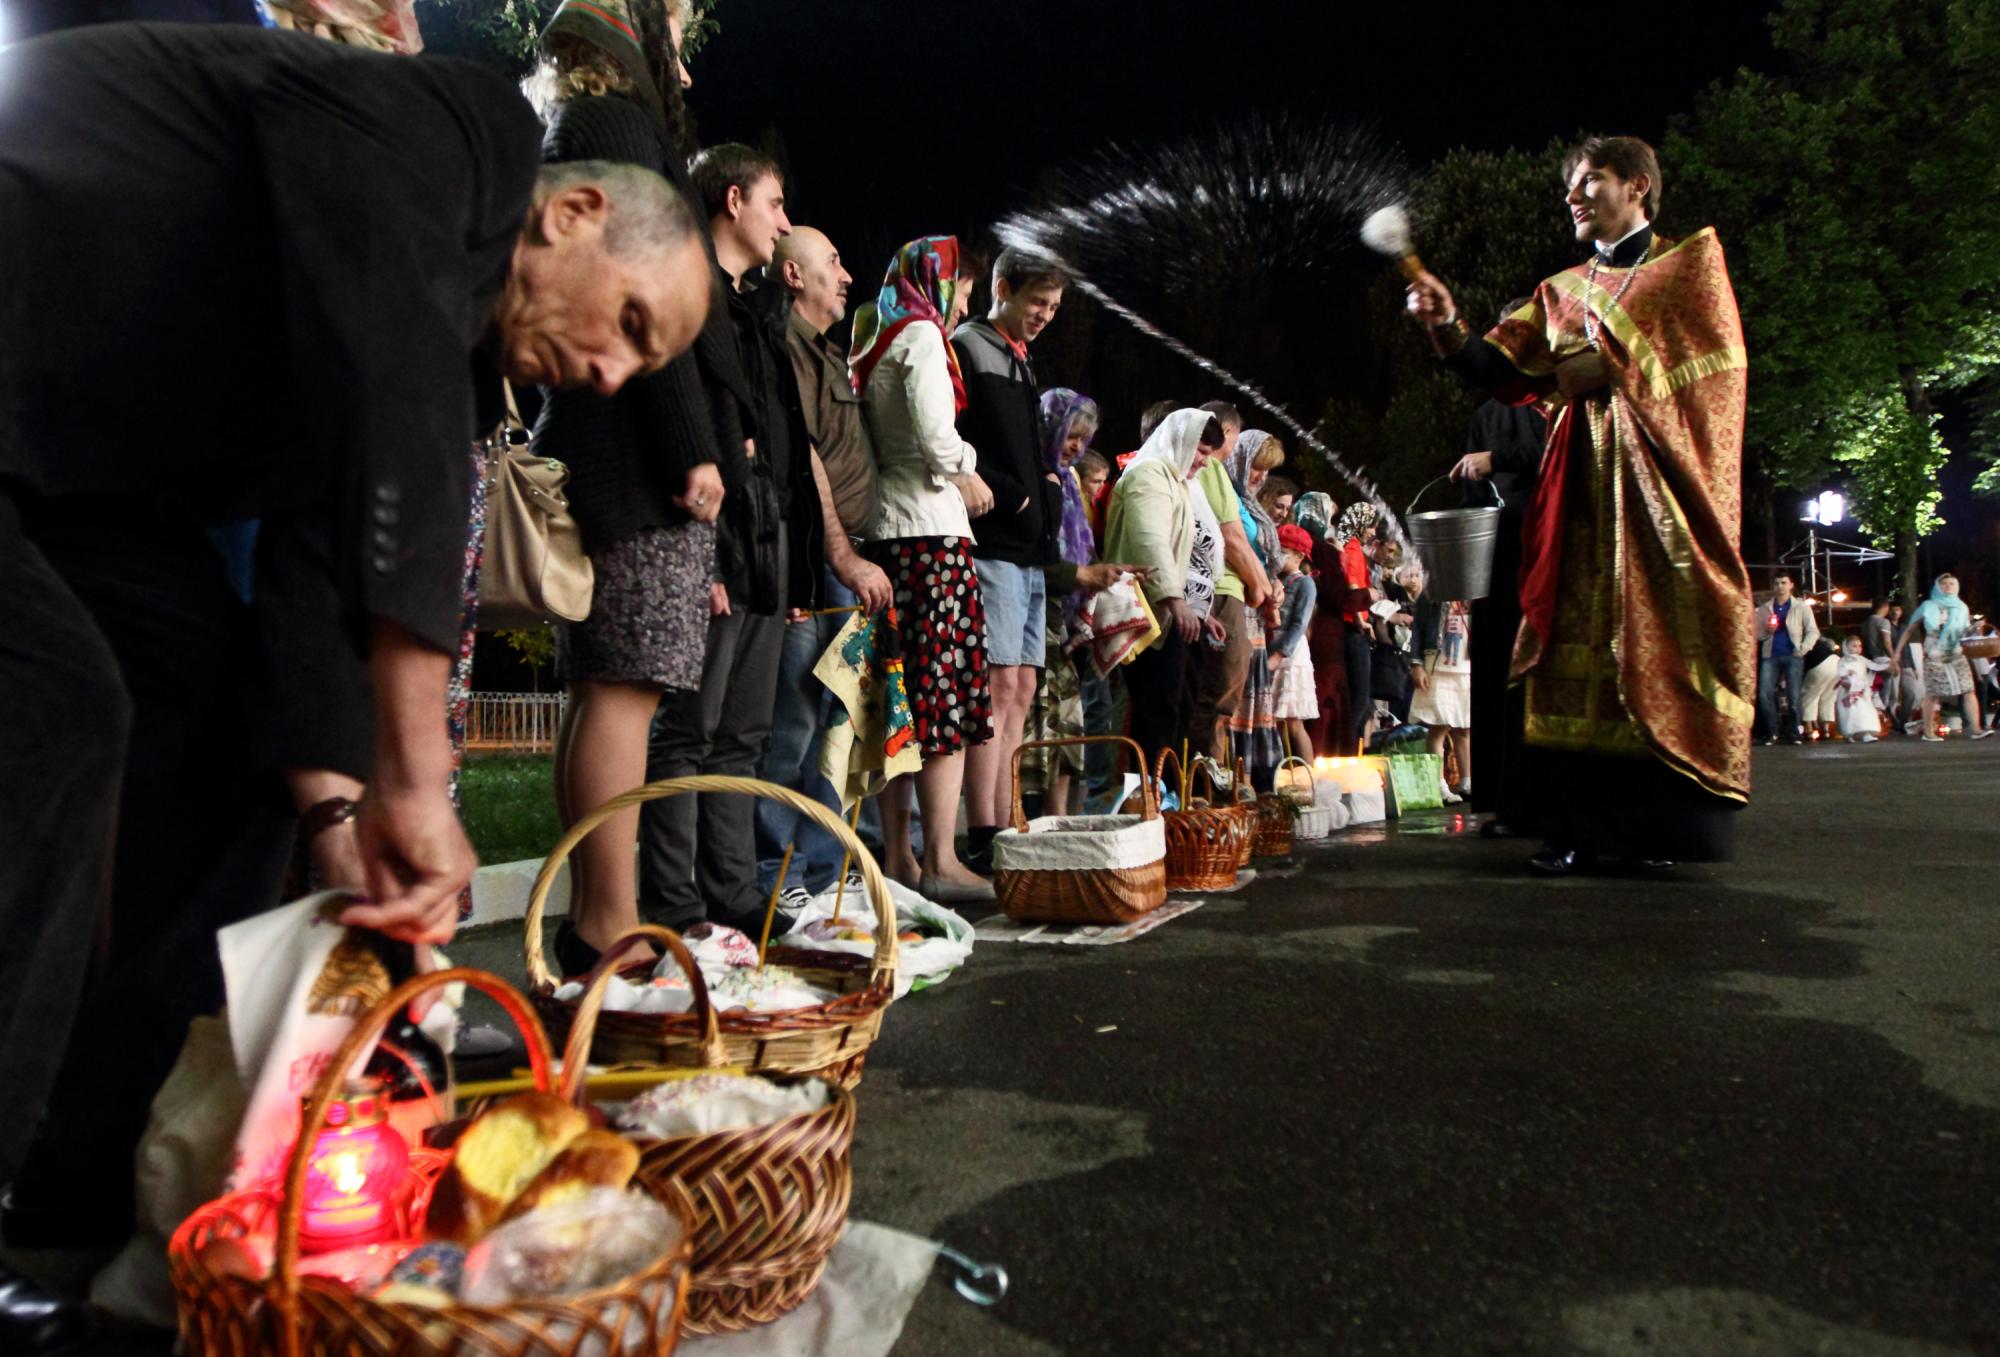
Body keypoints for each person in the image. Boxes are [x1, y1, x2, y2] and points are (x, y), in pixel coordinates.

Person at [0, 16, 708, 1245]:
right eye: (634, 327)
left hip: (75, 484)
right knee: (59, 706)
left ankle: (85, 1188)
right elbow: (392, 378)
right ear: (574, 211)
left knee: (231, 735)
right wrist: (420, 776)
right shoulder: (454, 129)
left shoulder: (432, 338)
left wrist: (340, 818)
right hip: (37, 406)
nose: (610, 378)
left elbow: (317, 567)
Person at [1405, 133, 1753, 874]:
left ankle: (1658, 830)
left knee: (1654, 644)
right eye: (1571, 185)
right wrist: (1445, 320)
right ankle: (1570, 827)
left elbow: (1717, 384)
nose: (1573, 196)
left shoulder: (1688, 268)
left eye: (1589, 181)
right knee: (1567, 649)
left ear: (1638, 185)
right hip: (1578, 500)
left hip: (1659, 501)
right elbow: (1497, 366)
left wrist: (1616, 372)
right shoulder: (1561, 290)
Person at [531, 0, 732, 974]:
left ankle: (595, 917)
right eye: (677, 36)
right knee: (626, 690)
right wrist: (691, 447)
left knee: (601, 687)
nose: (683, 59)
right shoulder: (622, 133)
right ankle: (610, 923)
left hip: (599, 452)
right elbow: (646, 297)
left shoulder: (575, 126)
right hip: (637, 462)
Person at [753, 225, 894, 908]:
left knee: (838, 724)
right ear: (792, 277)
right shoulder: (782, 349)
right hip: (814, 560)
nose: (846, 275)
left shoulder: (826, 353)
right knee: (795, 723)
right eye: (832, 263)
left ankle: (823, 874)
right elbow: (803, 457)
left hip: (846, 562)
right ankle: (778, 877)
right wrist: (840, 553)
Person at [850, 236, 995, 902]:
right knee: (946, 699)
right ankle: (942, 857)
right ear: (938, 281)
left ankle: (902, 859)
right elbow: (937, 435)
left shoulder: (876, 336)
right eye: (964, 286)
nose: (966, 299)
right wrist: (965, 468)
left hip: (888, 536)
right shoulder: (923, 338)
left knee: (899, 702)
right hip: (932, 536)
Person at [955, 249, 1067, 874]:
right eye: (1037, 304)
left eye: (1053, 309)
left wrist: (1046, 491)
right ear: (1002, 288)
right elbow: (953, 437)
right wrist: (1013, 492)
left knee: (1022, 684)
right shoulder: (968, 346)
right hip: (993, 541)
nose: (1045, 317)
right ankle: (982, 831)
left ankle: (1008, 819)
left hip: (1029, 549)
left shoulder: (1023, 363)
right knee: (994, 685)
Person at [1447, 298, 1546, 835]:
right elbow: (1471, 495)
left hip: (1551, 550)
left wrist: (1500, 460)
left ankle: (1551, 800)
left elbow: (1569, 455)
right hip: (1499, 555)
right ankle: (1507, 800)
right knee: (1498, 676)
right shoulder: (1487, 412)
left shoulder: (1560, 399)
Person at [1102, 409, 1230, 769]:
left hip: (1164, 613)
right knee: (1154, 707)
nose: (1204, 462)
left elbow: (1184, 553)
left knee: (1174, 706)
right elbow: (1151, 540)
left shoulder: (1174, 480)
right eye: (1201, 451)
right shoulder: (1149, 474)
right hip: (1145, 613)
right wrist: (1175, 601)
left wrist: (1197, 613)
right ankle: (1147, 795)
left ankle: (1166, 793)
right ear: (1181, 440)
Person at [1020, 389, 1103, 817]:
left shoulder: (1068, 482)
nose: (1076, 447)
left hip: (1062, 621)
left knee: (1068, 724)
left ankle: (1060, 823)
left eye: (1083, 439)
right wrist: (1081, 577)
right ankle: (1025, 825)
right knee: (1035, 726)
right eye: (1070, 435)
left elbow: (1079, 548)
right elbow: (1034, 555)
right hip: (1033, 615)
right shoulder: (1035, 476)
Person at [1189, 401, 1278, 763]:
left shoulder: (1223, 477)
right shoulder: (1212, 469)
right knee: (1219, 689)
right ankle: (1202, 776)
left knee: (1228, 691)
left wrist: (1265, 587)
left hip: (1236, 592)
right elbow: (1232, 538)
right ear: (1229, 433)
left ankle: (1214, 771)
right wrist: (1263, 591)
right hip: (1222, 588)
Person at [1224, 430, 1288, 790]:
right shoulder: (1229, 499)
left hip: (1257, 611)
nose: (1261, 476)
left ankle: (1250, 781)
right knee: (1234, 699)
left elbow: (1265, 558)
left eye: (1266, 470)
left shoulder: (1251, 503)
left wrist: (1273, 583)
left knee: (1252, 701)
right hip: (1240, 604)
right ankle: (1235, 782)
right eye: (1257, 467)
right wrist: (1263, 584)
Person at [1893, 573, 1990, 742]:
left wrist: (1976, 628)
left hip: (1956, 651)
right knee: (1933, 692)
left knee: (1968, 689)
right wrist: (1897, 652)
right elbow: (1910, 628)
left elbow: (1966, 632)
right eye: (1944, 584)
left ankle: (1976, 728)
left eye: (1952, 583)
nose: (1948, 587)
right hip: (1934, 651)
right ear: (1938, 586)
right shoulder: (1928, 605)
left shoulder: (1961, 607)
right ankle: (1928, 732)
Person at [1291, 491, 1351, 754]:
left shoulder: (1297, 542)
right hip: (1324, 631)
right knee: (1323, 695)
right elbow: (1337, 594)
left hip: (1305, 627)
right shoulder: (1323, 549)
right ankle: (1321, 756)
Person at [1268, 524, 1321, 767]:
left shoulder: (1305, 584)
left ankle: (1309, 775)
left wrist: (1280, 654)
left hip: (1291, 655)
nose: (1278, 557)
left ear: (1299, 556)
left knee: (1293, 720)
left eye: (1284, 552)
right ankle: (1281, 773)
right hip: (1272, 648)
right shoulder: (1274, 581)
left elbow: (1300, 623)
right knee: (1275, 719)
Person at [1410, 596, 1473, 801]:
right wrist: (1416, 664)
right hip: (1437, 664)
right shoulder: (1433, 589)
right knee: (1439, 726)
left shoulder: (1474, 588)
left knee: (1464, 728)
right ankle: (1438, 784)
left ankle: (1467, 781)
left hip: (1465, 666)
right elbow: (1418, 627)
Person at [1335, 501, 1382, 753]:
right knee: (1360, 699)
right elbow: (1353, 588)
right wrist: (1362, 622)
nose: (1373, 532)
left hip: (1352, 626)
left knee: (1359, 700)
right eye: (1371, 526)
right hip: (1353, 629)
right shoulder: (1352, 549)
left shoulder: (1349, 547)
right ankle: (1348, 753)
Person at [1752, 574, 1819, 746]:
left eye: (1783, 583)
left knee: (1793, 695)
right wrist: (1768, 631)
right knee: (1764, 694)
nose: (1780, 586)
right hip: (1771, 655)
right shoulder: (1765, 608)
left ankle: (1794, 731)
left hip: (1793, 654)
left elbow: (1813, 630)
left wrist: (1803, 648)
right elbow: (1757, 635)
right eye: (1776, 583)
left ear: (1791, 585)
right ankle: (1773, 731)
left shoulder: (1800, 606)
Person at [1833, 634, 1891, 743]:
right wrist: (1847, 676)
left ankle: (1866, 733)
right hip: (1848, 692)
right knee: (1850, 712)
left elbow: (1874, 666)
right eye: (1854, 646)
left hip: (1862, 691)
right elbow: (1840, 674)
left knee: (1865, 710)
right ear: (1846, 647)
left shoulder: (1862, 659)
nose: (1858, 649)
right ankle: (1849, 733)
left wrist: (1888, 665)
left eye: (1859, 646)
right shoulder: (1842, 661)